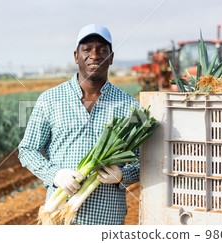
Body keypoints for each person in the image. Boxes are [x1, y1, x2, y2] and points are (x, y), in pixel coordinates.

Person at [18, 24, 140, 225]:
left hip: (108, 219)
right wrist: (55, 174)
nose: (94, 55)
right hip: (58, 215)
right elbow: (27, 149)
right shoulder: (50, 99)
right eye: (87, 49)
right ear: (76, 56)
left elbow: (143, 161)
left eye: (102, 50)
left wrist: (122, 175)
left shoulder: (130, 106)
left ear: (111, 58)